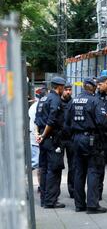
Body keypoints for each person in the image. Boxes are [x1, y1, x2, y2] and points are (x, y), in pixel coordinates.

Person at [65, 78, 107, 214]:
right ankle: (92, 205)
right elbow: (101, 122)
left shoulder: (73, 101)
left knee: (79, 171)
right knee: (93, 170)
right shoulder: (95, 101)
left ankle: (79, 204)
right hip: (90, 139)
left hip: (76, 139)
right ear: (93, 88)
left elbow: (66, 122)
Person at [35, 76, 66, 208]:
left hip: (43, 138)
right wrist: (44, 134)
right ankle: (50, 201)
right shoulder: (55, 99)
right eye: (63, 87)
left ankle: (44, 199)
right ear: (59, 87)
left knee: (44, 168)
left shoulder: (42, 99)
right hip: (52, 139)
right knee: (54, 169)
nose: (64, 90)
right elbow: (52, 120)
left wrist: (39, 134)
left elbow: (37, 119)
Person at [28, 87, 48, 192]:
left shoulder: (35, 106)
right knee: (35, 163)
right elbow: (36, 123)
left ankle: (41, 186)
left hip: (37, 138)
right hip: (36, 139)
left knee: (40, 164)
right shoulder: (37, 107)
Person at [60, 83, 75, 199]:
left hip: (70, 138)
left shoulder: (73, 103)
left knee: (73, 165)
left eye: (70, 90)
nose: (68, 92)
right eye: (66, 90)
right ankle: (55, 192)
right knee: (57, 165)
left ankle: (73, 190)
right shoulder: (57, 102)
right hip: (59, 138)